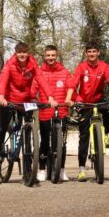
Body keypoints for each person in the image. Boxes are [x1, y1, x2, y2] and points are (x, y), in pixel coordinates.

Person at [0, 42, 56, 184]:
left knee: (28, 133)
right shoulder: (10, 64)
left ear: (28, 53)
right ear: (16, 53)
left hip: (25, 101)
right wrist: (1, 96)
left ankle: (28, 172)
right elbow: (3, 79)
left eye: (24, 52)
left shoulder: (33, 64)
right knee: (1, 130)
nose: (22, 55)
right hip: (9, 100)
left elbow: (41, 79)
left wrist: (50, 96)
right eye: (19, 52)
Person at [64, 42, 109, 182]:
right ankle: (82, 169)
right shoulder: (81, 67)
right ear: (86, 53)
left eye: (94, 51)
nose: (91, 54)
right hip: (85, 103)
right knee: (84, 136)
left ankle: (105, 135)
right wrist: (68, 99)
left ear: (98, 52)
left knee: (107, 109)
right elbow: (73, 83)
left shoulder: (104, 66)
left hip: (98, 100)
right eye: (89, 52)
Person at [32, 45, 72, 182]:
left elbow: (71, 88)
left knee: (62, 143)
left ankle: (62, 170)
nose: (50, 58)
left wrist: (73, 100)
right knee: (44, 141)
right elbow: (33, 89)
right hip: (45, 111)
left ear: (57, 55)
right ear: (44, 56)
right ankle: (42, 169)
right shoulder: (39, 72)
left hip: (62, 111)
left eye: (53, 55)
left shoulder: (65, 72)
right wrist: (34, 100)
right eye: (48, 55)